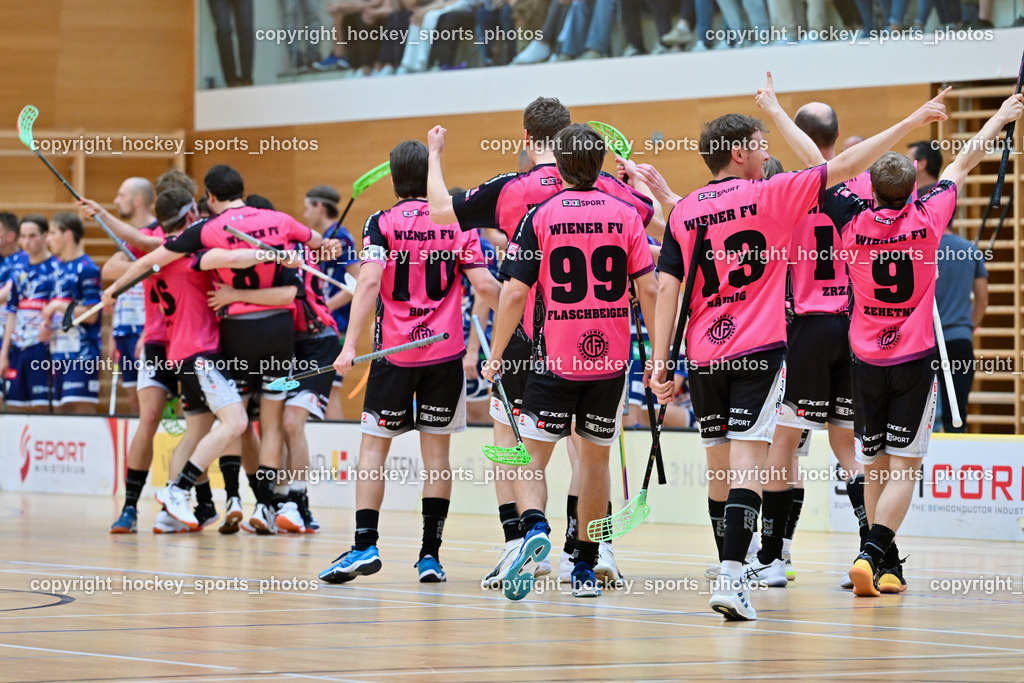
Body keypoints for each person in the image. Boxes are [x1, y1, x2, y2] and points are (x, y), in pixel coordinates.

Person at [641, 76, 949, 621]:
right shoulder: (790, 192)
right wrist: (910, 122)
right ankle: (865, 552)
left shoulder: (691, 209)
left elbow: (671, 280)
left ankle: (763, 559)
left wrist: (660, 361)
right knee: (819, 453)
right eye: (760, 145)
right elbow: (845, 167)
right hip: (813, 338)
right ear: (740, 152)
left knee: (738, 462)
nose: (767, 153)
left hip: (727, 347)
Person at [427, 96, 658, 590]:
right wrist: (635, 179)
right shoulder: (612, 191)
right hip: (602, 342)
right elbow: (653, 217)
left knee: (514, 445)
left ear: (528, 138)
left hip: (530, 336)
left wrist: (434, 156)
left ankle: (522, 542)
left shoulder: (515, 190)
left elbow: (441, 212)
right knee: (589, 450)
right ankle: (589, 553)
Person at [821, 93, 1023, 597]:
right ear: (915, 185)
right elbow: (965, 159)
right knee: (906, 467)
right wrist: (1000, 117)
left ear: (871, 187)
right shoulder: (930, 217)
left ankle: (882, 563)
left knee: (875, 466)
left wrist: (903, 126)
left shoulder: (849, 219)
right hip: (913, 360)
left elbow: (826, 166)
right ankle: (872, 554)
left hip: (865, 359)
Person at [319, 139, 500, 585]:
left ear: (394, 179)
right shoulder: (457, 223)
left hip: (393, 355)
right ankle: (430, 556)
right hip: (444, 356)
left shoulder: (380, 223)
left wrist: (348, 345)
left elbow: (368, 284)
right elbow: (485, 286)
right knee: (437, 457)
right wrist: (533, 318)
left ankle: (364, 545)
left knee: (373, 451)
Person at [744, 94, 874, 588]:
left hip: (804, 329)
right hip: (854, 327)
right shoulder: (864, 187)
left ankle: (773, 557)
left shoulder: (785, 192)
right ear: (837, 136)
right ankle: (871, 552)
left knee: (783, 443)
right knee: (848, 445)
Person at [302, 185, 359, 420]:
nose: (305, 215)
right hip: (326, 323)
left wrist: (323, 309)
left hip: (336, 324)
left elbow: (356, 282)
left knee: (331, 390)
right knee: (324, 390)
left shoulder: (341, 238)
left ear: (319, 207)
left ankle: (337, 440)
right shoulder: (327, 238)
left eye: (307, 208)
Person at [39, 213, 102, 413]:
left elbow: (92, 314)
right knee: (60, 411)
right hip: (58, 352)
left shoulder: (87, 269)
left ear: (67, 235)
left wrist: (59, 305)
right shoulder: (56, 269)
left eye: (53, 233)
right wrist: (46, 325)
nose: (48, 239)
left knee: (81, 407)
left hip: (82, 355)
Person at [0, 216, 59, 412]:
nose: (26, 242)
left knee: (44, 406)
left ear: (45, 235)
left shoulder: (56, 268)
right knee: (14, 407)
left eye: (32, 236)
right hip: (18, 346)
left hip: (43, 347)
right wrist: (4, 353)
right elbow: (12, 312)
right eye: (23, 236)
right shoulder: (18, 271)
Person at [110, 178, 157, 414]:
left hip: (147, 327)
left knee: (157, 399)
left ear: (138, 201)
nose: (116, 201)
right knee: (134, 400)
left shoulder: (158, 233)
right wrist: (113, 333)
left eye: (122, 195)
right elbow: (111, 272)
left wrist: (148, 331)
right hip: (124, 327)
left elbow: (159, 271)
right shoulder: (125, 238)